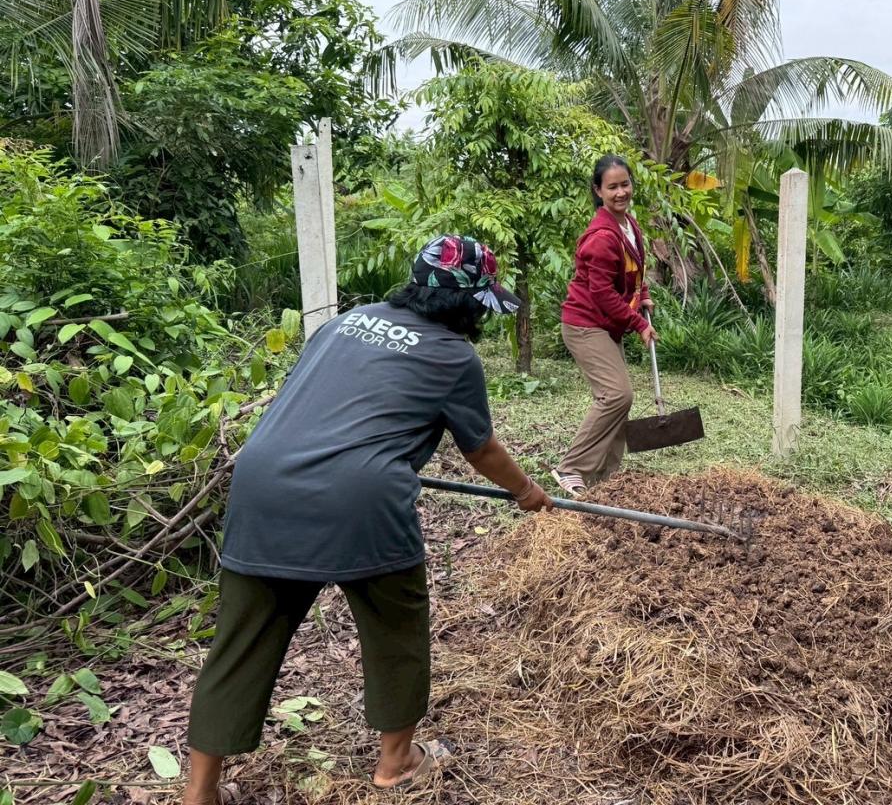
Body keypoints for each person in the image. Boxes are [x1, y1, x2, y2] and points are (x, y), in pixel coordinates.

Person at [181, 234, 553, 805]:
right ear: (467, 303)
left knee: (239, 644)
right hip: (360, 501)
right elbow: (480, 448)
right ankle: (396, 762)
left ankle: (200, 793)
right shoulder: (455, 356)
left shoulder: (345, 323)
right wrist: (527, 492)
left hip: (263, 485)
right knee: (395, 631)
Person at [551, 154, 656, 495]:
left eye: (625, 184)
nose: (621, 192)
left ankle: (605, 482)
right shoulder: (601, 237)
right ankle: (571, 468)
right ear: (598, 191)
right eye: (612, 187)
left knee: (619, 399)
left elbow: (633, 271)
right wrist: (638, 323)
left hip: (605, 325)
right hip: (585, 324)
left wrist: (642, 294)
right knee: (616, 395)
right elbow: (601, 293)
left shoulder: (628, 225)